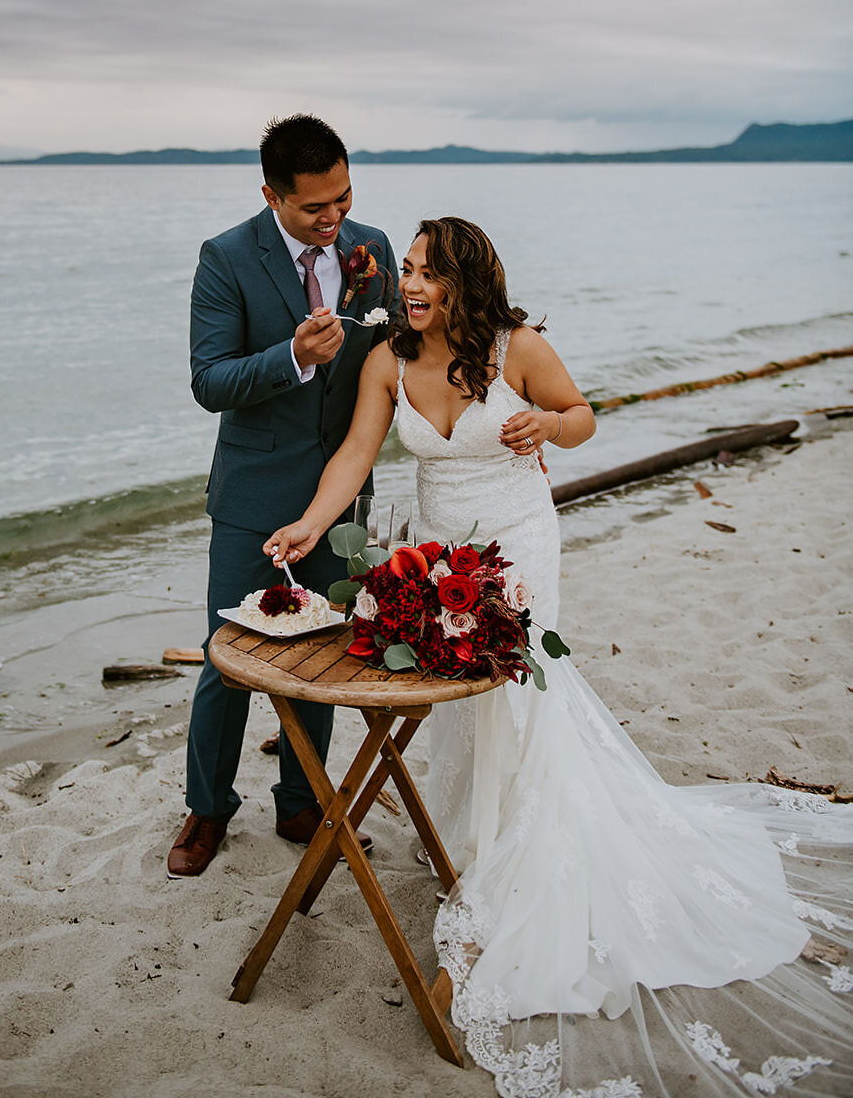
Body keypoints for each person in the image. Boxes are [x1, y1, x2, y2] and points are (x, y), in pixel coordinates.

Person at [265, 217, 852, 1096]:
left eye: (425, 272)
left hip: (518, 545)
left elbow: (583, 418)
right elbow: (355, 454)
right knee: (460, 696)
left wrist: (544, 422)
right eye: (407, 271)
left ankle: (519, 849)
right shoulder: (386, 358)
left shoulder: (518, 345)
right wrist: (313, 524)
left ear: (465, 282)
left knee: (520, 691)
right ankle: (475, 836)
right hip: (435, 551)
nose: (409, 284)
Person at [167, 114, 397, 879]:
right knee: (226, 659)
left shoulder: (374, 249)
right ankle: (207, 809)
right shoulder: (226, 257)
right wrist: (291, 357)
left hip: (343, 490)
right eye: (313, 208)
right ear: (271, 195)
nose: (333, 219)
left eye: (342, 198)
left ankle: (300, 801)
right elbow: (209, 382)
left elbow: (397, 348)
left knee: (325, 652)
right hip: (253, 490)